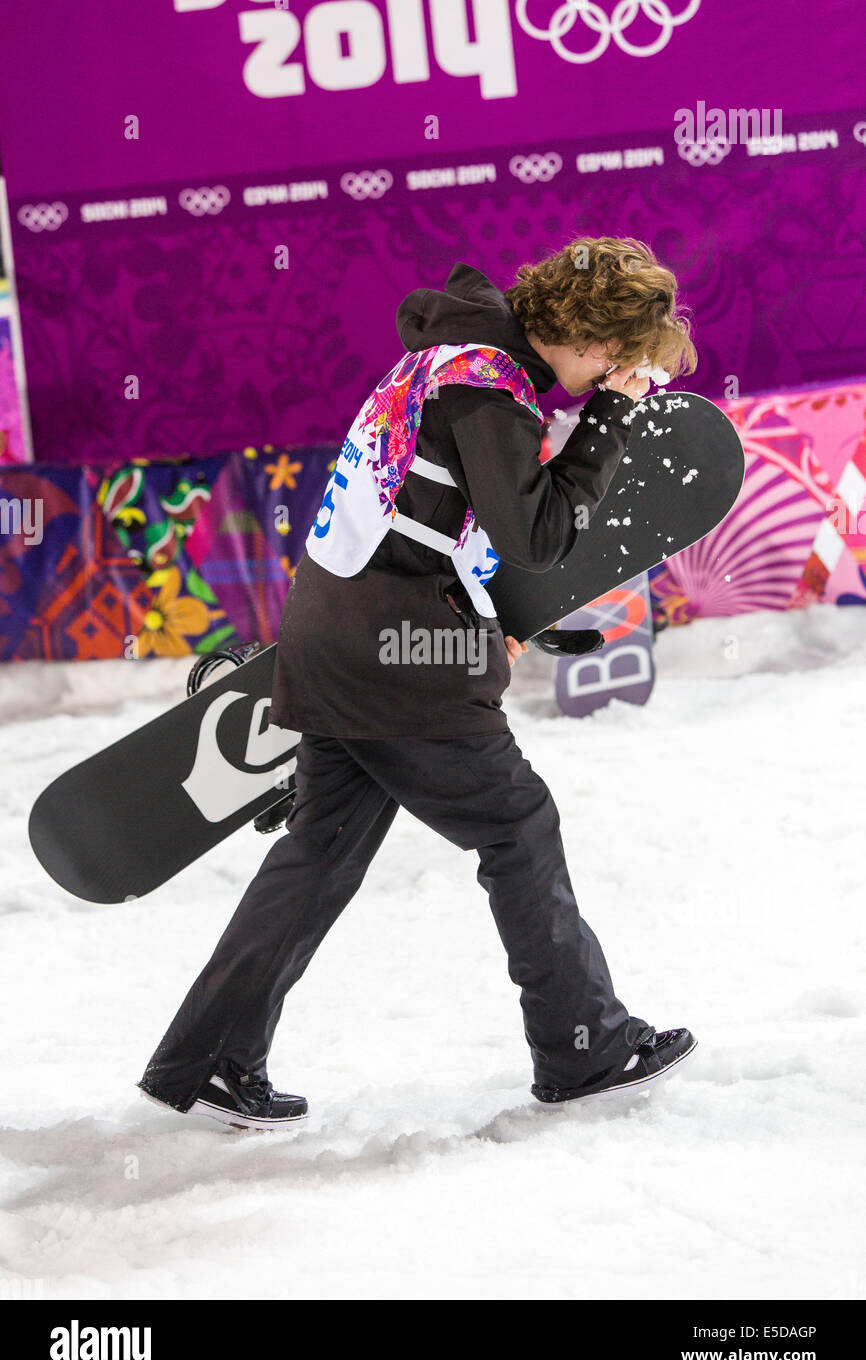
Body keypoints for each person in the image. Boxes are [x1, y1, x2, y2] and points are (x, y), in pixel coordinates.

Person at [139, 236, 699, 1130]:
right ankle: (583, 1046)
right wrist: (607, 425)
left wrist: (490, 623)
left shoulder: (448, 355)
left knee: (321, 851)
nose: (617, 374)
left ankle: (206, 1060)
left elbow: (432, 517)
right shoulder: (488, 386)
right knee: (517, 826)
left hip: (332, 632)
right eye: (620, 358)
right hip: (392, 652)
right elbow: (539, 535)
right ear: (589, 337)